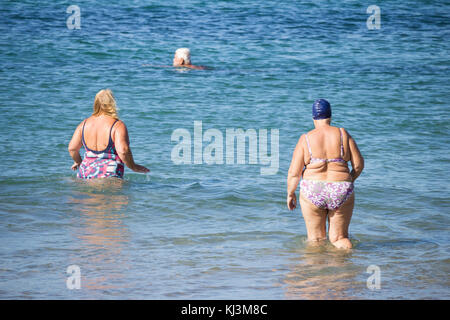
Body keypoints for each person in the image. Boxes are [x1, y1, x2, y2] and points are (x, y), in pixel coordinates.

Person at [287, 99, 364, 249]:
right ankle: (345, 270)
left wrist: (290, 194)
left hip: (312, 189)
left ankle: (317, 271)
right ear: (330, 116)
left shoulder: (306, 138)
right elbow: (359, 165)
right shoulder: (343, 134)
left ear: (313, 118)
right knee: (340, 238)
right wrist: (349, 181)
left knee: (315, 240)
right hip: (341, 188)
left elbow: (294, 173)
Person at [68, 89, 150, 179]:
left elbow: (72, 149)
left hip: (85, 174)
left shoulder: (83, 124)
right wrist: (133, 167)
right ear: (112, 104)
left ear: (96, 103)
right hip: (109, 174)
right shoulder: (117, 125)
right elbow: (123, 151)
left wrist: (78, 162)